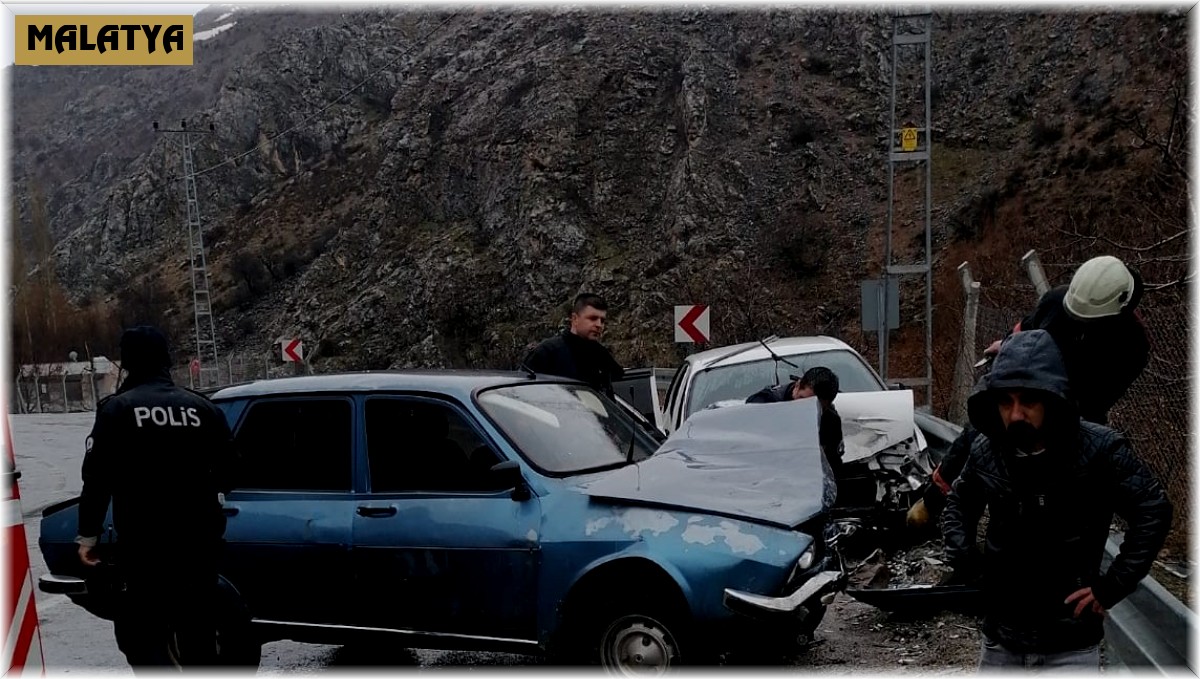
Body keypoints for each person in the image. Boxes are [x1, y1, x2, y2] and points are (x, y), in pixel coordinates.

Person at [941, 329, 1171, 669]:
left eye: (1028, 401)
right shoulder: (988, 450)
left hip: (1069, 641)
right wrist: (967, 561)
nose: (1015, 414)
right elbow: (960, 503)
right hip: (1002, 637)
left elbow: (1153, 509)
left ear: (1052, 399)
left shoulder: (1099, 451)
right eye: (1005, 402)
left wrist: (1112, 586)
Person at [909, 255, 1151, 528]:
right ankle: (931, 504)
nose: (1077, 322)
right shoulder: (1057, 303)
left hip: (1076, 412)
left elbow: (1094, 402)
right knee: (977, 437)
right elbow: (1024, 331)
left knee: (1067, 478)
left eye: (1087, 321)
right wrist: (1007, 345)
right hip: (1029, 388)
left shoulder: (1132, 347)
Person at [76, 326, 237, 671]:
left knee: (142, 637)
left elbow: (96, 482)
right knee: (199, 639)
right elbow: (231, 473)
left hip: (145, 551)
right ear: (166, 359)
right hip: (199, 548)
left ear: (128, 362)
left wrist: (88, 537)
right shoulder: (202, 408)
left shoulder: (117, 410)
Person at [746, 367, 844, 480]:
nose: (808, 410)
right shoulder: (764, 404)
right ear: (797, 386)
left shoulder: (830, 421)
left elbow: (833, 464)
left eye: (817, 408)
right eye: (804, 401)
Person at [523, 293, 624, 397]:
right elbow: (523, 392)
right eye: (593, 318)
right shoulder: (548, 352)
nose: (599, 325)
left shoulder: (601, 355)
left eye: (602, 321)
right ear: (575, 318)